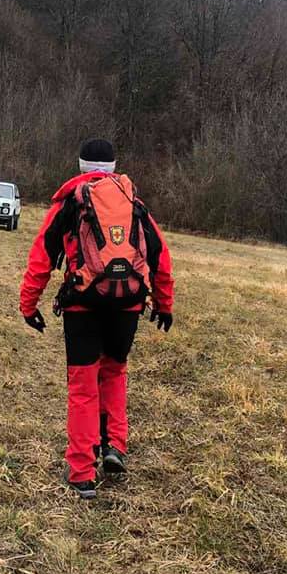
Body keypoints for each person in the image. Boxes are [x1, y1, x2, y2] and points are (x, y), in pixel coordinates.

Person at [19, 138, 174, 500]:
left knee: (83, 386)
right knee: (115, 371)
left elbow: (41, 257)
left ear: (80, 166)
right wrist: (163, 304)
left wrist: (29, 305)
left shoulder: (70, 203)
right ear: (114, 166)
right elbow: (160, 257)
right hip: (128, 304)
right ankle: (114, 447)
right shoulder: (134, 203)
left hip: (83, 304)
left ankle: (81, 472)